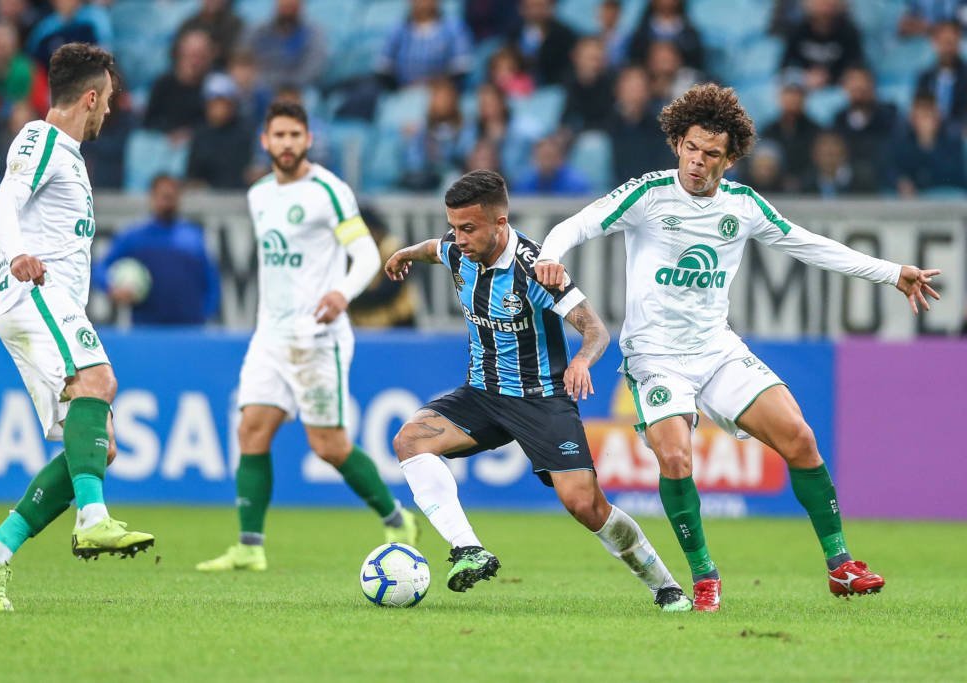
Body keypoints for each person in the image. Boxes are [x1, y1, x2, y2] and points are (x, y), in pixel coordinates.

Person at [533, 83, 940, 611]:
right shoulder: (649, 195)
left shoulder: (743, 205)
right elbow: (577, 223)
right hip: (655, 356)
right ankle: (704, 577)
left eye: (712, 155)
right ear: (677, 142)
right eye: (692, 149)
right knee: (675, 455)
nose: (698, 162)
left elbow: (810, 245)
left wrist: (893, 273)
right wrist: (551, 256)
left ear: (731, 158)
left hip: (717, 350)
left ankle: (841, 567)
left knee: (799, 437)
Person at [382, 169, 692, 611]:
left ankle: (664, 584)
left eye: (468, 228)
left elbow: (595, 329)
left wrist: (582, 360)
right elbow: (435, 249)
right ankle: (468, 548)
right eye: (454, 226)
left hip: (541, 399)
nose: (459, 237)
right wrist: (403, 255)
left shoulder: (536, 268)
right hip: (483, 395)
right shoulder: (458, 251)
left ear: (500, 223)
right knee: (409, 440)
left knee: (584, 504)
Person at [0, 43, 155, 612]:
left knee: (98, 446)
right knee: (100, 381)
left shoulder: (67, 154)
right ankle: (92, 519)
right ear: (90, 97)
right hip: (34, 292)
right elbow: (1, 207)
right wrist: (18, 253)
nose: (110, 112)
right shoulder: (41, 140)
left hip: (45, 300)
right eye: (109, 101)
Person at [196, 102, 418, 572]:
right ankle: (250, 547)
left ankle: (397, 518)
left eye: (296, 134)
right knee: (251, 429)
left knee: (328, 446)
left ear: (308, 139)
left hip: (318, 337)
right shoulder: (258, 195)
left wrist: (341, 292)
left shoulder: (329, 191)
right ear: (265, 140)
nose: (288, 143)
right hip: (270, 335)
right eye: (279, 135)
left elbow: (364, 255)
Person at [95, 174, 220, 325]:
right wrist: (112, 287)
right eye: (164, 196)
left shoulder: (193, 237)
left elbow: (211, 280)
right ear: (152, 198)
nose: (168, 202)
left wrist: (205, 314)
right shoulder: (135, 237)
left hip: (190, 330)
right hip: (147, 330)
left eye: (172, 196)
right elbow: (100, 268)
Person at [375, 0, 473, 91]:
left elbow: (460, 70)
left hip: (442, 94)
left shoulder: (454, 28)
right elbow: (384, 70)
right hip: (403, 93)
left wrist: (433, 85)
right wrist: (403, 90)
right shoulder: (398, 30)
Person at [894, 91, 967, 195]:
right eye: (922, 116)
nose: (927, 121)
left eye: (930, 115)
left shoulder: (954, 143)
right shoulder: (900, 145)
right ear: (912, 119)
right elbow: (891, 171)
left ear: (938, 117)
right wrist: (901, 182)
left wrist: (928, 142)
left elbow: (954, 177)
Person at [780, 0, 864, 89]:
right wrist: (804, 76)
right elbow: (786, 64)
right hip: (804, 85)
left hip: (838, 87)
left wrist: (830, 77)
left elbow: (855, 63)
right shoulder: (797, 31)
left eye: (828, 4)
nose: (824, 9)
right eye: (820, 3)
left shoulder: (849, 32)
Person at [914, 20, 967, 126]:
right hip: (931, 133)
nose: (947, 49)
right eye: (943, 42)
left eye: (951, 42)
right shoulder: (925, 77)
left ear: (958, 44)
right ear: (935, 44)